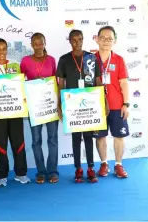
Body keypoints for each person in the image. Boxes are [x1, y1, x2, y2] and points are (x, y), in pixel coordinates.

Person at [56, 29, 103, 183]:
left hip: (89, 104)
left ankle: (90, 168)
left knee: (89, 137)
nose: (78, 43)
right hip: (72, 104)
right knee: (76, 138)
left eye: (80, 39)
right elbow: (61, 83)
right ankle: (78, 169)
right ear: (69, 41)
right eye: (74, 40)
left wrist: (102, 102)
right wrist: (60, 103)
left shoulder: (91, 58)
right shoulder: (63, 59)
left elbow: (97, 81)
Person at [0, 38, 31, 187]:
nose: (1, 52)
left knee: (19, 143)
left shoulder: (15, 65)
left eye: (4, 49)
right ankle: (2, 175)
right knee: (1, 144)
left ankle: (21, 173)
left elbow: (22, 85)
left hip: (15, 111)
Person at [20, 33, 59, 184]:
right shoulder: (25, 61)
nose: (38, 46)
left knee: (53, 139)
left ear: (44, 43)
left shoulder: (51, 60)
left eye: (40, 43)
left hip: (50, 106)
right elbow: (20, 81)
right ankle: (41, 172)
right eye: (35, 43)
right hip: (34, 107)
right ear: (31, 45)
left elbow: (56, 81)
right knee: (36, 141)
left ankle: (53, 171)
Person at [94, 26, 129, 178]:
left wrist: (126, 104)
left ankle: (119, 165)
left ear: (115, 41)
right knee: (100, 136)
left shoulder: (119, 60)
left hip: (116, 105)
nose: (106, 41)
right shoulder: (90, 59)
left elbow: (124, 83)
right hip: (97, 106)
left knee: (118, 136)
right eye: (103, 38)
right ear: (97, 39)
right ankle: (104, 163)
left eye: (110, 39)